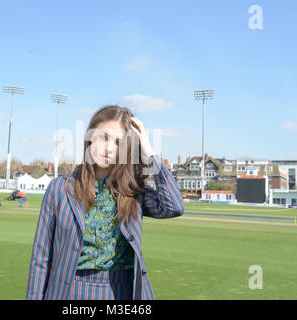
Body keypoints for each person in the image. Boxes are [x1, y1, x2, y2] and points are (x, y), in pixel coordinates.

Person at [26, 105, 185, 300]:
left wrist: (147, 149)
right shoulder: (59, 189)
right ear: (90, 137)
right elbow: (41, 257)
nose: (109, 148)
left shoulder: (134, 192)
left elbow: (173, 206)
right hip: (67, 291)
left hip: (119, 291)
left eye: (119, 142)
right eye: (103, 137)